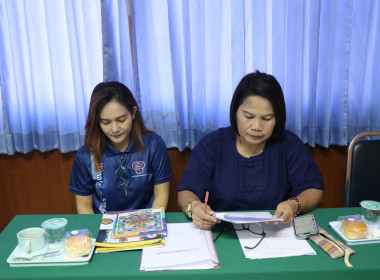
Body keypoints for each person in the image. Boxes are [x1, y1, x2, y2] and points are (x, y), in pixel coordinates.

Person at [178, 71, 324, 229]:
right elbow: (186, 192)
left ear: (278, 118)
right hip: (221, 232)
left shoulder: (289, 144)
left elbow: (314, 191)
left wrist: (294, 205)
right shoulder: (212, 144)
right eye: (248, 116)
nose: (257, 127)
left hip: (274, 233)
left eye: (267, 119)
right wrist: (195, 207)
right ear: (235, 112)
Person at [69, 81, 172, 214]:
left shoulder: (154, 145)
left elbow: (161, 195)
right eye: (106, 122)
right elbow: (84, 207)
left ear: (133, 113)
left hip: (145, 224)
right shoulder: (86, 155)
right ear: (97, 122)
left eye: (121, 120)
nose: (115, 129)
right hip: (104, 227)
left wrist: (148, 227)